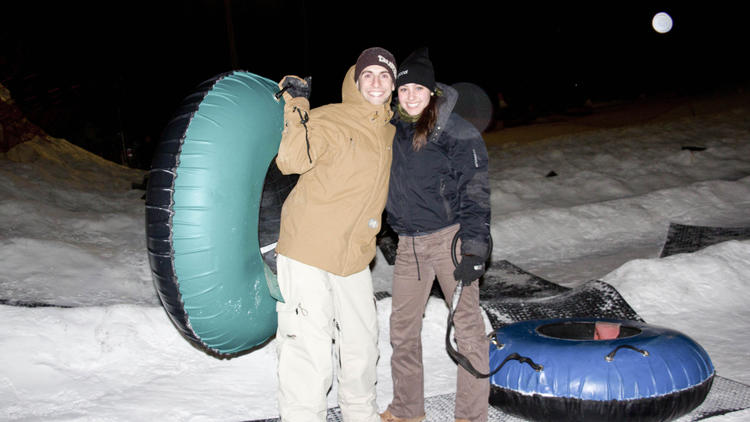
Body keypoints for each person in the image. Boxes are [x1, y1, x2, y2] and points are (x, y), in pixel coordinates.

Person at [274, 47, 397, 422]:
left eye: (384, 75)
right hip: (308, 247)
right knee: (308, 346)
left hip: (355, 253)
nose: (376, 82)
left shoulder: (390, 132)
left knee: (362, 343)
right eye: (368, 75)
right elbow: (291, 161)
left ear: (393, 85)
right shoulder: (330, 118)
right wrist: (296, 108)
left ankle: (361, 415)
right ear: (355, 81)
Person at [380, 48, 492, 422]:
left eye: (419, 89)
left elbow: (475, 193)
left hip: (450, 241)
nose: (411, 96)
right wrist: (385, 230)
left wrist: (475, 250)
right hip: (409, 245)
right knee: (402, 332)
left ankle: (471, 416)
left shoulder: (457, 131)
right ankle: (408, 410)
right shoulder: (391, 130)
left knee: (469, 331)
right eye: (404, 88)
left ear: (433, 92)